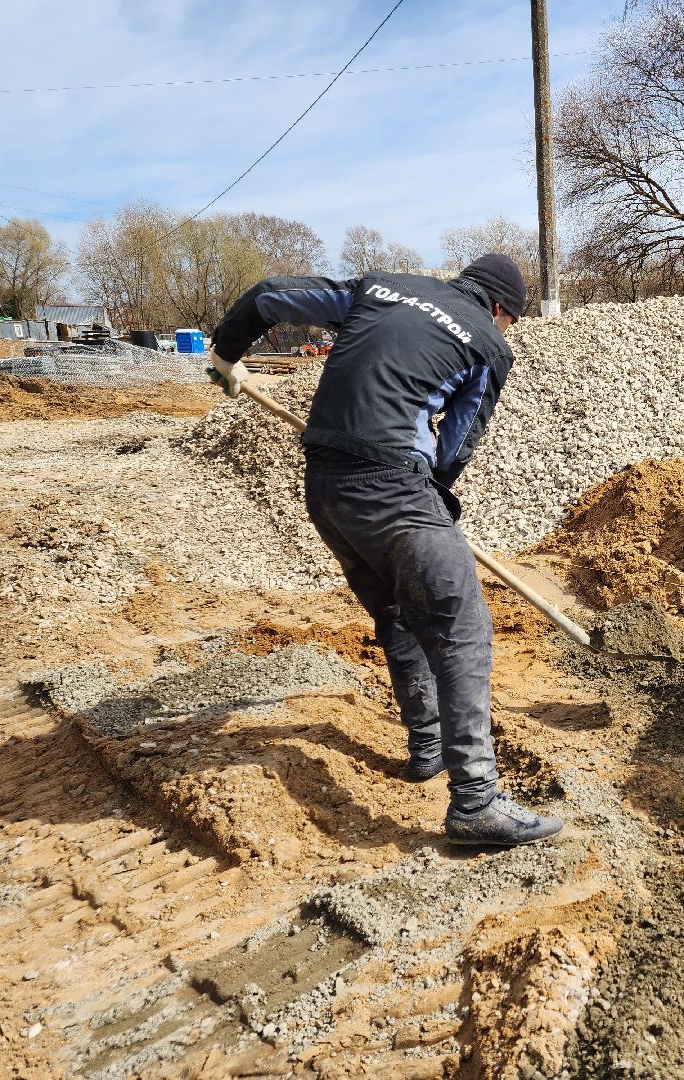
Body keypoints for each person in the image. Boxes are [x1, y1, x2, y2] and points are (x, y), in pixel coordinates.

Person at [206, 255, 562, 847]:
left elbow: (269, 295)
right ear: (500, 310)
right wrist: (431, 498)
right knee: (461, 627)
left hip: (325, 486)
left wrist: (225, 356)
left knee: (398, 612)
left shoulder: (380, 288)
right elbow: (457, 443)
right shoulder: (487, 346)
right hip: (392, 487)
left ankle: (428, 747)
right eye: (510, 324)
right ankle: (475, 801)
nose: (507, 334)